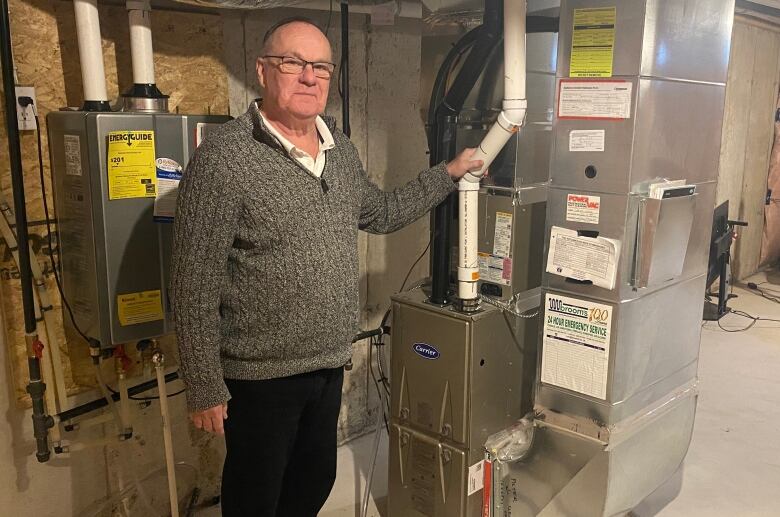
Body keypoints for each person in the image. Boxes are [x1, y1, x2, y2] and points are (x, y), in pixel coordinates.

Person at [170, 16, 483, 517]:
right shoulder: (224, 160)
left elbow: (379, 214)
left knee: (312, 486)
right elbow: (192, 285)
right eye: (292, 63)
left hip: (327, 364)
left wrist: (448, 173)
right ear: (263, 70)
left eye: (320, 66)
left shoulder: (337, 149)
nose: (308, 77)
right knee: (256, 499)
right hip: (260, 376)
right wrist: (204, 383)